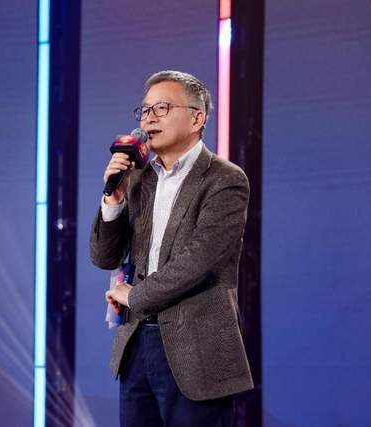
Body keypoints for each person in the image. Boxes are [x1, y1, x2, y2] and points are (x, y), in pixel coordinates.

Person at [90, 70, 253, 427]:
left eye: (162, 108)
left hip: (197, 348)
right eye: (145, 110)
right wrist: (113, 199)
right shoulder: (138, 179)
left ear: (197, 118)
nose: (149, 118)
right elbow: (104, 256)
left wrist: (135, 296)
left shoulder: (224, 179)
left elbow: (199, 260)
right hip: (137, 345)